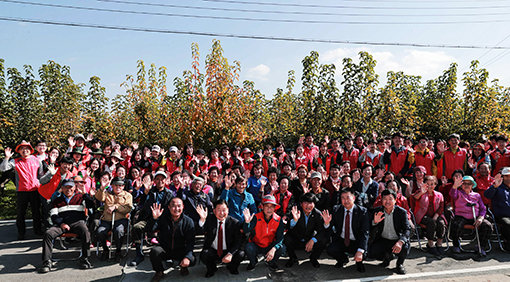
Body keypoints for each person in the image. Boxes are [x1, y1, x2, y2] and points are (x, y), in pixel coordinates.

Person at [0, 141, 54, 239]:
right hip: (22, 191)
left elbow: (41, 175)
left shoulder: (37, 160)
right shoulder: (15, 161)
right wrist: (7, 158)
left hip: (35, 190)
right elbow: (3, 168)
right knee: (21, 213)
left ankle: (37, 231)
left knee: (36, 212)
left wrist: (47, 176)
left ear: (30, 150)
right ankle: (21, 233)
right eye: (22, 149)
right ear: (19, 151)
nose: (25, 150)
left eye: (27, 148)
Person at [39, 179, 94, 273]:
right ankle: (46, 261)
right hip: (61, 225)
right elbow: (53, 215)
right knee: (48, 233)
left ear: (74, 188)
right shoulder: (57, 201)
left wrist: (85, 194)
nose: (68, 189)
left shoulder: (80, 198)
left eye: (70, 187)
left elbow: (91, 205)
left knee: (85, 231)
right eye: (66, 187)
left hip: (77, 223)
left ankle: (84, 258)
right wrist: (61, 223)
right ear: (62, 188)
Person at [130, 171, 174, 266]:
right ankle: (139, 254)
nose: (160, 181)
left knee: (170, 229)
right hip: (149, 219)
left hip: (164, 219)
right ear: (154, 181)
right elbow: (141, 205)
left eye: (162, 179)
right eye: (157, 179)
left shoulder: (169, 193)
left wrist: (160, 215)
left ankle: (168, 255)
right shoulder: (149, 191)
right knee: (137, 227)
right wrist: (146, 193)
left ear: (165, 181)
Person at [149, 197, 196, 281]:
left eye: (179, 206)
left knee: (192, 259)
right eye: (173, 206)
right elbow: (150, 230)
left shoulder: (188, 221)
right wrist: (154, 219)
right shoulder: (163, 218)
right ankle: (159, 272)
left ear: (183, 207)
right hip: (166, 249)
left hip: (181, 250)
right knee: (154, 251)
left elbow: (190, 242)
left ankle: (183, 266)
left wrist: (187, 257)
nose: (176, 209)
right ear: (169, 207)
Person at [197, 199, 244, 278]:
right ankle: (212, 268)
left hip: (228, 250)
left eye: (224, 210)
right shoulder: (209, 219)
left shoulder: (234, 222)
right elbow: (200, 231)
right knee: (204, 254)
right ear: (214, 211)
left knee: (241, 254)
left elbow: (238, 241)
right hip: (214, 250)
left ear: (228, 210)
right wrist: (202, 219)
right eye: (219, 210)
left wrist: (230, 254)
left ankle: (232, 267)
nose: (222, 213)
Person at [368, 189, 411, 275]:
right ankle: (387, 258)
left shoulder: (401, 212)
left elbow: (408, 229)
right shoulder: (377, 211)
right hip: (383, 239)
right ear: (381, 200)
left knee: (405, 246)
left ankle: (399, 264)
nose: (387, 201)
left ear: (395, 200)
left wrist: (401, 241)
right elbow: (368, 228)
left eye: (390, 199)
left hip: (396, 240)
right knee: (371, 252)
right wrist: (375, 222)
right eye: (385, 199)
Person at [327, 188, 369, 272]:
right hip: (342, 240)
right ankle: (342, 259)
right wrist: (327, 223)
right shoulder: (336, 209)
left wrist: (360, 251)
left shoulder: (362, 211)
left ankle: (359, 262)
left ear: (353, 198)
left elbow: (365, 232)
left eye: (348, 197)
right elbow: (329, 228)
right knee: (331, 250)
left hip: (356, 241)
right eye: (343, 198)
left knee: (364, 252)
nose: (345, 200)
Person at [284, 193, 331, 268]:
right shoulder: (295, 211)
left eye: (311, 203)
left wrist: (313, 240)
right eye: (305, 203)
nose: (308, 206)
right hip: (297, 238)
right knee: (287, 238)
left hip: (309, 238)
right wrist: (295, 220)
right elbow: (288, 227)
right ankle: (292, 258)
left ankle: (313, 258)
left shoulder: (318, 214)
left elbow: (321, 231)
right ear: (301, 204)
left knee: (324, 239)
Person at [450, 176, 493, 256]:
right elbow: (452, 195)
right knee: (456, 224)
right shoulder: (458, 193)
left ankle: (481, 246)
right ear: (461, 185)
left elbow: (483, 209)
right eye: (464, 183)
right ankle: (456, 245)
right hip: (461, 216)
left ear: (472, 185)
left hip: (475, 216)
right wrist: (455, 186)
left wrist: (481, 217)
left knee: (488, 225)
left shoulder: (477, 195)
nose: (466, 185)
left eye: (469, 183)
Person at [243, 195, 286, 271]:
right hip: (257, 245)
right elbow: (246, 230)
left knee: (282, 248)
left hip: (269, 245)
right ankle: (253, 262)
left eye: (272, 206)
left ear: (275, 208)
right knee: (248, 247)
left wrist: (273, 249)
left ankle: (271, 262)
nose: (269, 209)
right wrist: (247, 222)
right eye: (267, 206)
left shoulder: (278, 219)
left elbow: (280, 238)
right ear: (262, 207)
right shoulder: (256, 217)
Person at [95, 177, 133, 260]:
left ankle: (118, 251)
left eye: (120, 185)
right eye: (116, 185)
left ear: (123, 186)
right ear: (112, 186)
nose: (118, 187)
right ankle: (105, 250)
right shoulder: (107, 194)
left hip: (121, 219)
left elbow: (128, 208)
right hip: (107, 219)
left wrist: (116, 206)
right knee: (100, 231)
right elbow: (99, 198)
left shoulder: (128, 195)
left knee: (119, 231)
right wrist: (102, 188)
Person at [412, 175, 446, 257]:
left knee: (441, 223)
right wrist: (421, 192)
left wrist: (436, 216)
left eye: (432, 184)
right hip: (422, 216)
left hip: (435, 215)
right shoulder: (420, 191)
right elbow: (414, 198)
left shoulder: (439, 194)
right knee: (431, 223)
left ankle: (439, 243)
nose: (430, 186)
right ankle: (430, 244)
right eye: (428, 184)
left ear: (435, 185)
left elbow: (441, 207)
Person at [484, 167, 510, 250]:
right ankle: (507, 242)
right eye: (506, 176)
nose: (508, 178)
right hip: (502, 215)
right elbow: (487, 195)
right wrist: (495, 186)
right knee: (508, 223)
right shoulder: (497, 186)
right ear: (502, 177)